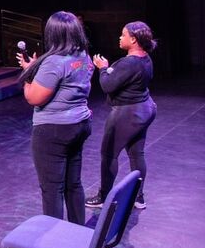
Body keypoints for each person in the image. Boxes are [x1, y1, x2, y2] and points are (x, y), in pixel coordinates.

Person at [17, 11, 94, 225]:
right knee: (73, 184)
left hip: (54, 130)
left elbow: (34, 98)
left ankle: (55, 241)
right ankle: (77, 232)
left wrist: (30, 75)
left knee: (52, 189)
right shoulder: (84, 56)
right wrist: (34, 68)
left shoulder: (55, 61)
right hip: (79, 125)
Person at [85, 22, 157, 210]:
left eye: (123, 34)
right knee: (136, 153)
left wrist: (102, 68)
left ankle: (104, 196)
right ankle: (138, 196)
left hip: (127, 113)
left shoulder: (129, 63)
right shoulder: (146, 58)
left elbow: (107, 85)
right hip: (145, 109)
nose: (119, 37)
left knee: (109, 154)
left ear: (133, 39)